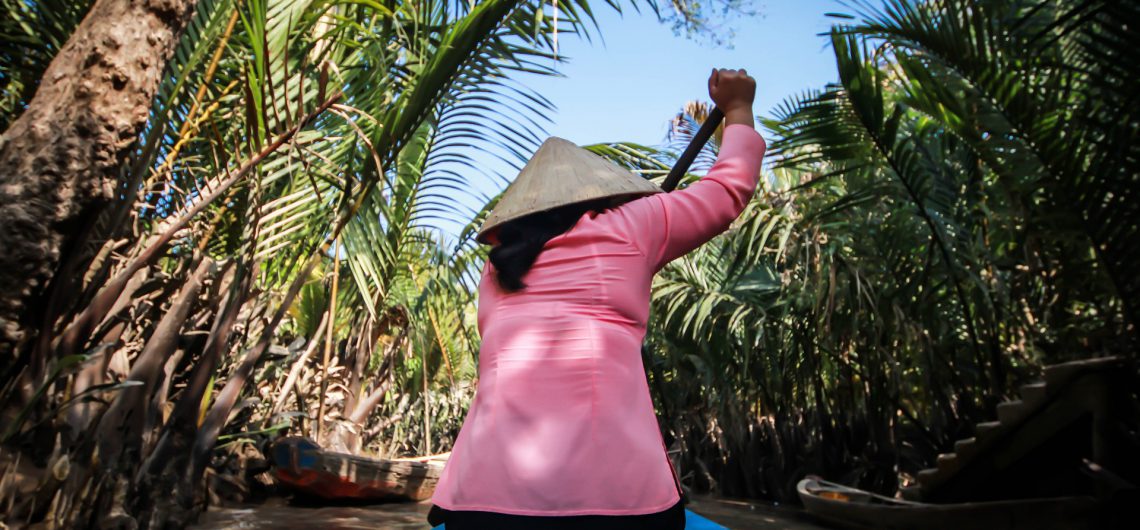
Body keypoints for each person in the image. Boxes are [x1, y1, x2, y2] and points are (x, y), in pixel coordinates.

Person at [428, 68, 765, 529]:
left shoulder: (498, 267)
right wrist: (739, 108)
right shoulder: (635, 225)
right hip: (615, 502)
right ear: (601, 196)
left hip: (478, 501)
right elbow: (727, 190)